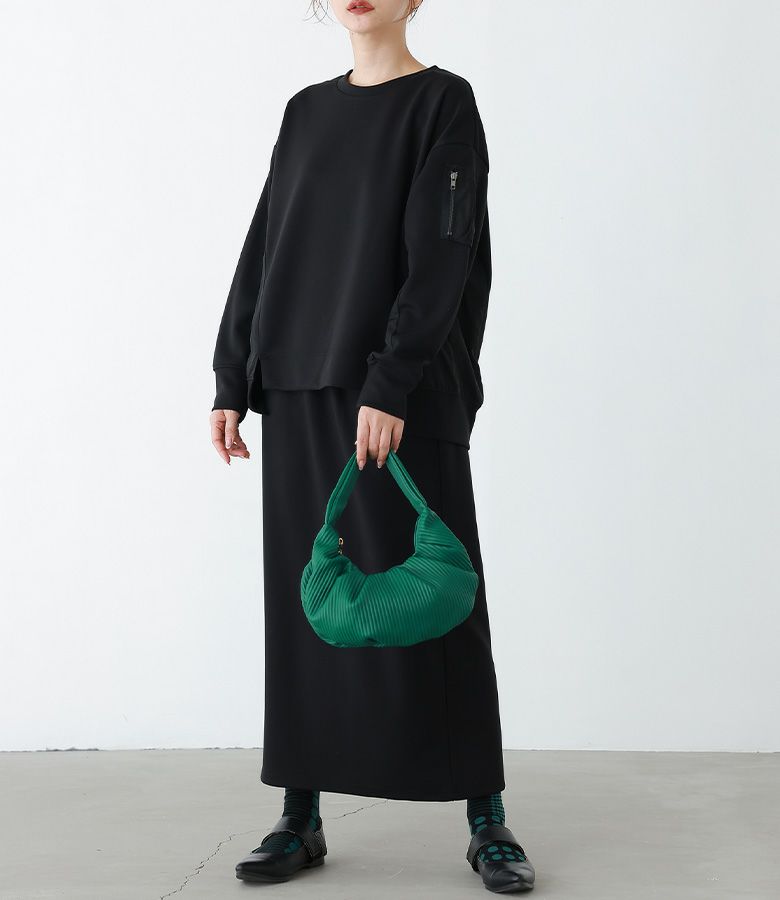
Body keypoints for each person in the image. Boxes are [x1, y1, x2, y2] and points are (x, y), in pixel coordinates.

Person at [208, 0, 535, 893]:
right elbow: (266, 243)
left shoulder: (443, 103)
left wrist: (391, 381)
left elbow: (445, 254)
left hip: (400, 392)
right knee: (309, 606)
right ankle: (300, 815)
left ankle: (487, 817)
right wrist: (231, 374)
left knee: (441, 598)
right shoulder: (305, 110)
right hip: (296, 383)